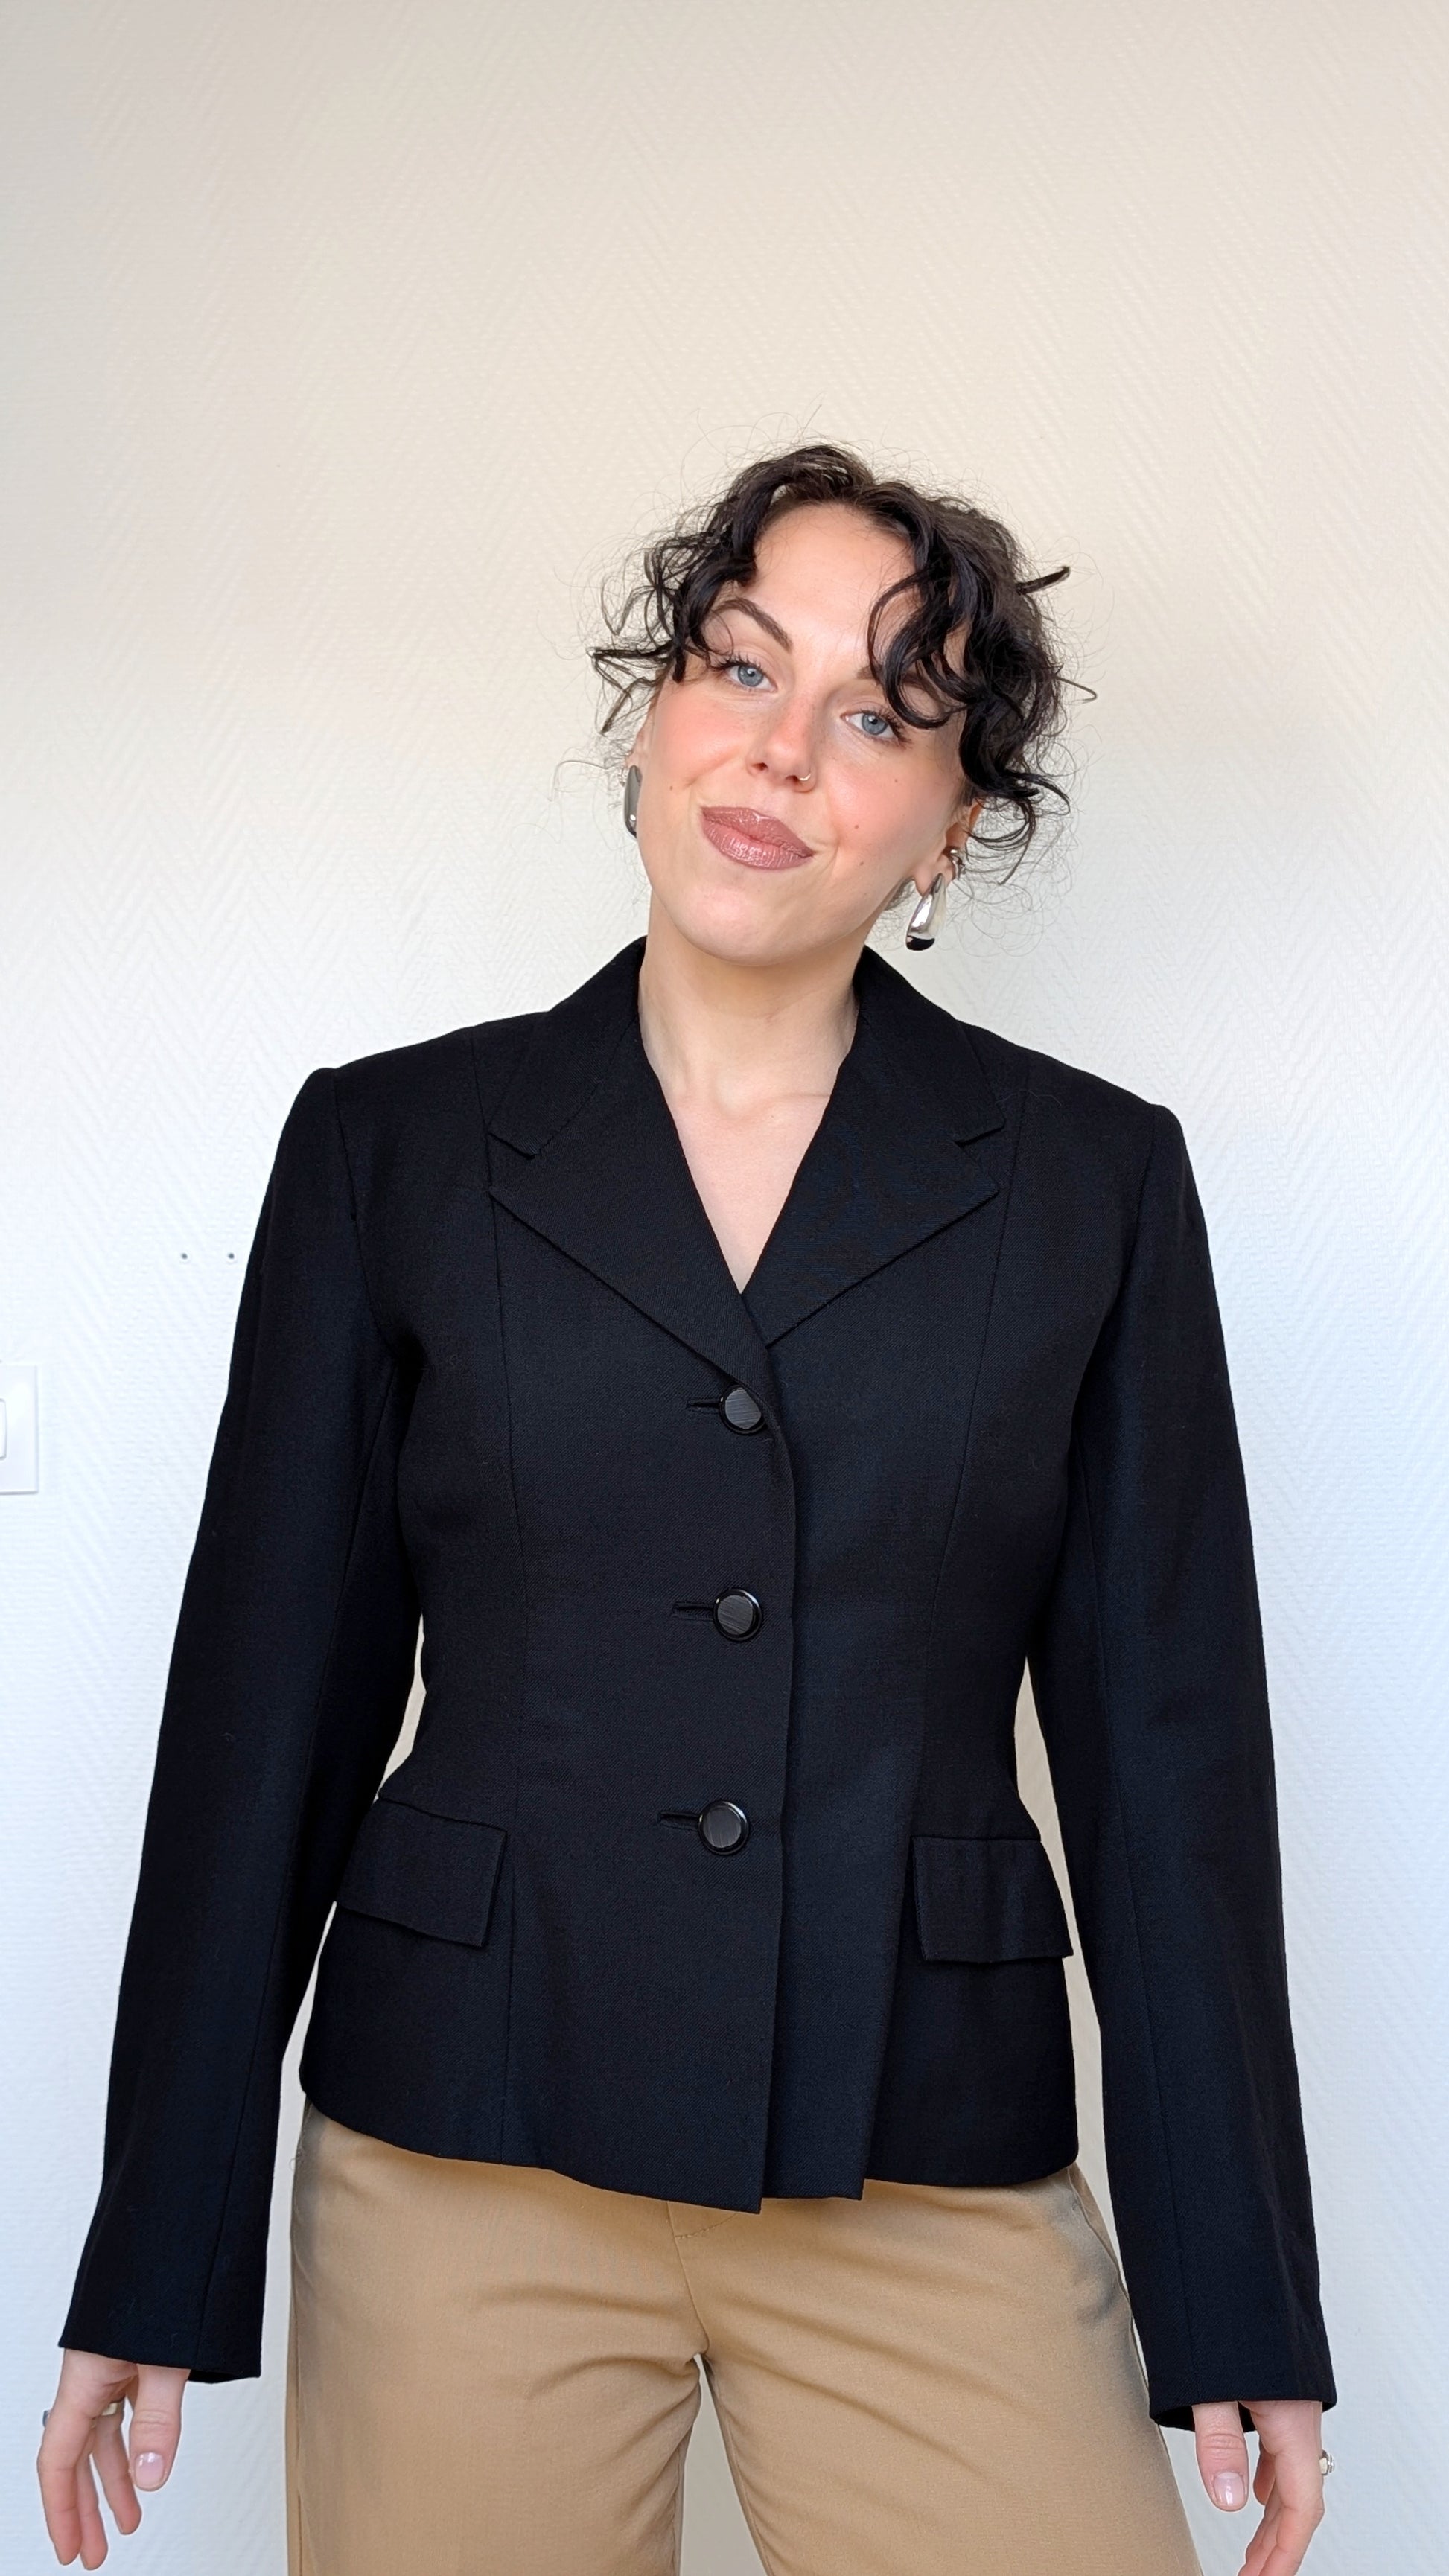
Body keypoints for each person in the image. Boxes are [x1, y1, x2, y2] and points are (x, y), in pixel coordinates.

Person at [39, 443, 1335, 2575]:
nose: (781, 749)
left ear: (955, 822)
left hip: (920, 2141)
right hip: (459, 2158)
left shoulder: (1087, 1182)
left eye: (878, 714)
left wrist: (1238, 2295)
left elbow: (1169, 1762)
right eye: (741, 665)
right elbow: (262, 1719)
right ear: (656, 710)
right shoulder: (392, 1149)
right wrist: (153, 2253)